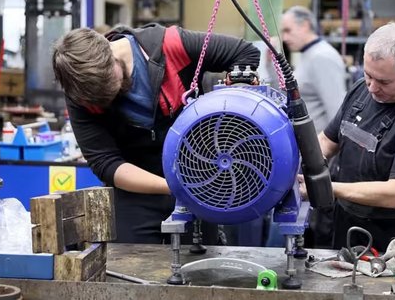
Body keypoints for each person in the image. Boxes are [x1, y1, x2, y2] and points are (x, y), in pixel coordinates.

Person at [52, 23, 260, 243]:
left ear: (111, 55)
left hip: (199, 176)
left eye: (112, 86)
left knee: (201, 258)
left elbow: (246, 53)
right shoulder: (80, 93)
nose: (110, 98)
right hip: (135, 187)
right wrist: (174, 187)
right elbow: (105, 162)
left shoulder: (170, 45)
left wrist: (227, 110)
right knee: (125, 260)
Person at [307, 22, 395, 252]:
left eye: (384, 82)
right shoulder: (360, 90)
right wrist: (301, 167)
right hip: (346, 224)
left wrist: (325, 188)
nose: (372, 87)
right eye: (368, 75)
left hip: (392, 241)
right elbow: (327, 141)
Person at [281, 6, 347, 133]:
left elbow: (336, 112)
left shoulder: (322, 57)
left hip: (317, 142)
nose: (285, 38)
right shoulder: (308, 54)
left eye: (288, 30)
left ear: (305, 25)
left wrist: (327, 144)